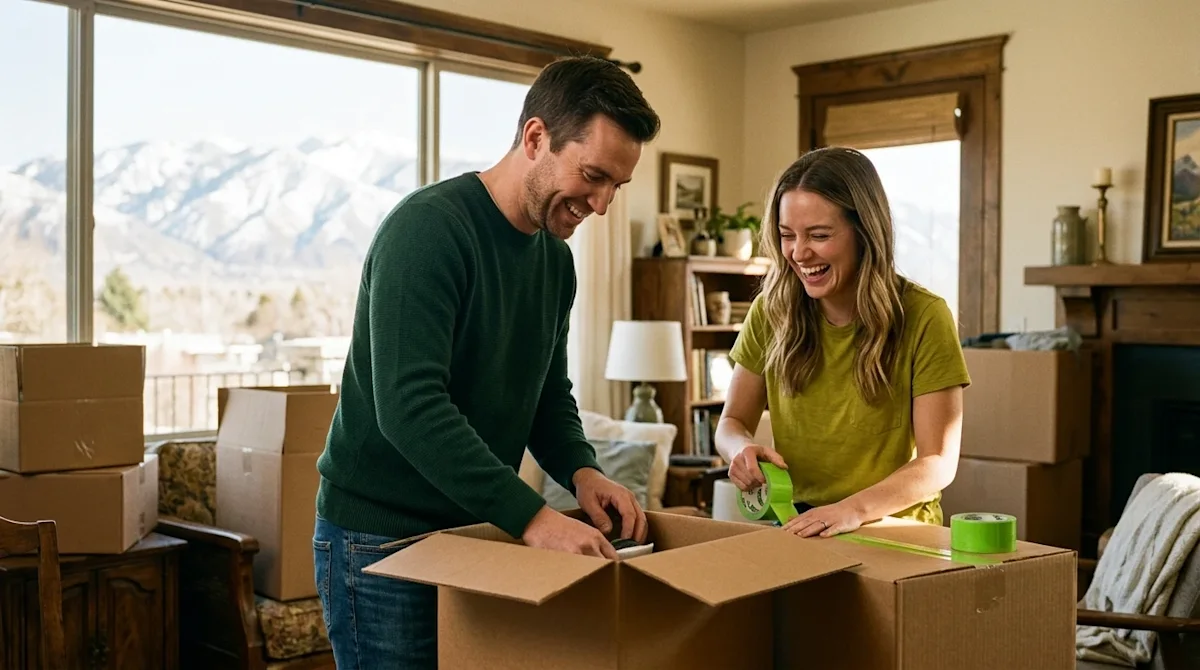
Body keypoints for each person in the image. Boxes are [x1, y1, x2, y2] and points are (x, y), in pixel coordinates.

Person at [312, 56, 661, 669]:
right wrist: (533, 518)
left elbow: (547, 395)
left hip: (476, 531)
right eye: (593, 175)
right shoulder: (427, 231)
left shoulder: (555, 261)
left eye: (617, 186)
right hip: (380, 541)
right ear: (536, 138)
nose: (602, 204)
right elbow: (410, 408)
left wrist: (583, 470)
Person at [715, 146, 970, 539]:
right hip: (798, 525)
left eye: (819, 235)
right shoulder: (771, 311)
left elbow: (938, 461)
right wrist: (739, 451)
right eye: (787, 236)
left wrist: (852, 510)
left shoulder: (925, 316)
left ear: (865, 232)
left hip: (896, 529)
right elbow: (731, 423)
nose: (799, 253)